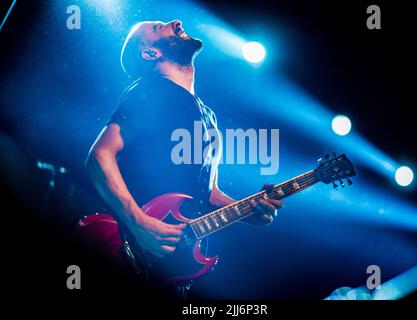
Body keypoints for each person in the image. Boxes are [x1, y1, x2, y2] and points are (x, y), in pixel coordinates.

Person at [85, 20, 283, 296]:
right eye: (158, 28)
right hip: (122, 248)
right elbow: (99, 156)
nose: (175, 22)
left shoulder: (208, 116)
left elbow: (208, 192)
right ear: (150, 53)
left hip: (169, 269)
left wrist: (249, 209)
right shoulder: (153, 90)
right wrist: (140, 224)